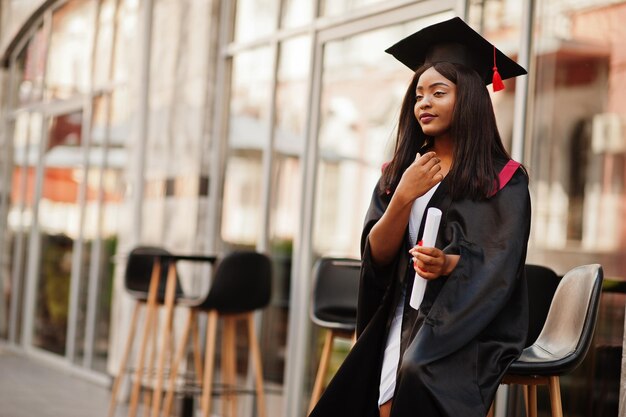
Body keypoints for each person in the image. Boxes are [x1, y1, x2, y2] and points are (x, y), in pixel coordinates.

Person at [308, 17, 531, 417]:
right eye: (418, 95)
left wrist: (447, 263)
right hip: (400, 309)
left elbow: (498, 269)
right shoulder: (400, 172)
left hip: (467, 322)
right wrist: (402, 199)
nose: (423, 103)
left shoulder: (503, 180)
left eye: (438, 92)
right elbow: (375, 256)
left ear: (470, 100)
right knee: (366, 378)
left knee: (414, 371)